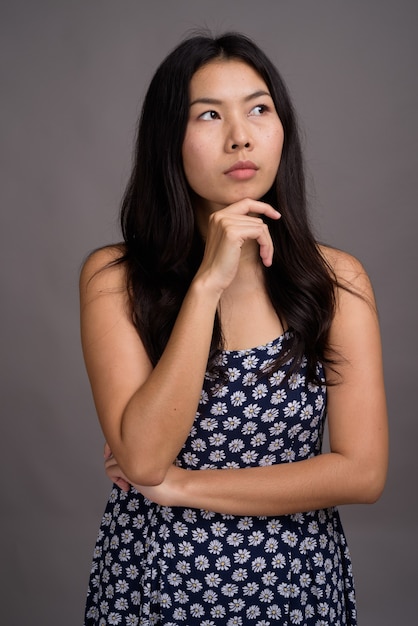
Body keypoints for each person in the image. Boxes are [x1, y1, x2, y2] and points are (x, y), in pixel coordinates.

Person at [80, 32, 388, 626]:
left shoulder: (337, 280)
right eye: (210, 115)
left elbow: (363, 470)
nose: (240, 135)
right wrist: (207, 286)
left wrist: (185, 487)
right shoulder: (115, 278)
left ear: (281, 128)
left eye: (258, 109)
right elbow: (144, 460)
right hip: (159, 581)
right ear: (170, 138)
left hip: (295, 583)